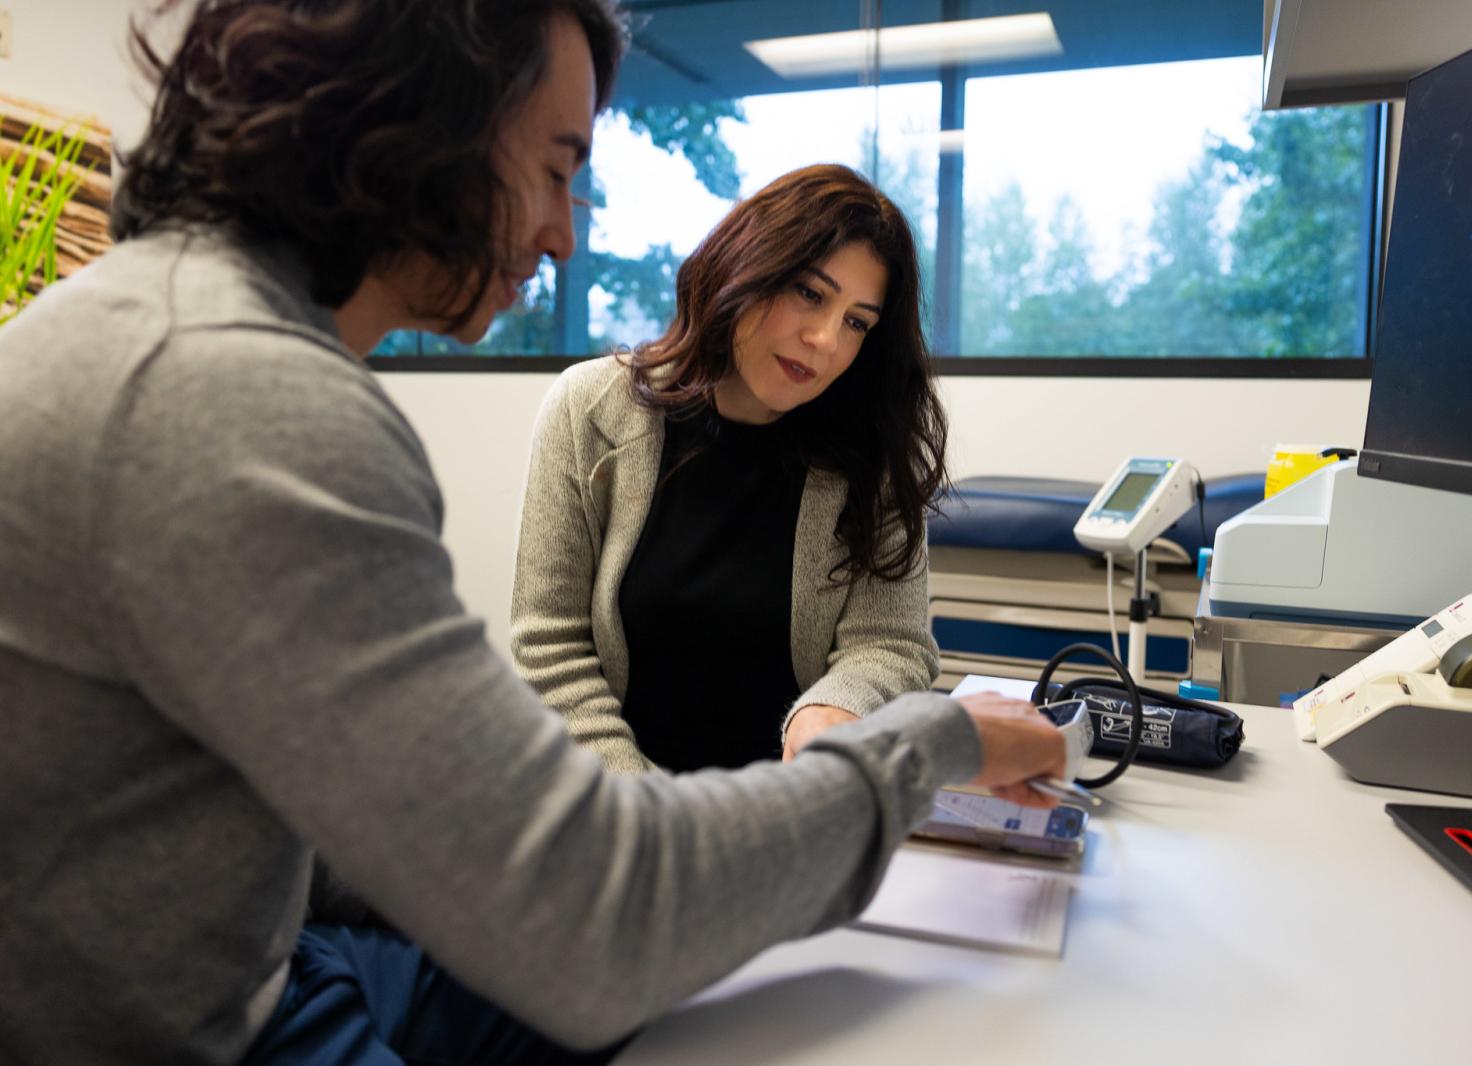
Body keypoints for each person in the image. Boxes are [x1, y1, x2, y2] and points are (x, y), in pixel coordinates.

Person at [0, 2, 1069, 1065]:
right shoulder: (249, 401)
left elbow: (320, 814)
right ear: (413, 128)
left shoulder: (145, 325)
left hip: (270, 953)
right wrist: (937, 740)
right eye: (556, 168)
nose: (563, 233)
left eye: (858, 323)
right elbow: (596, 921)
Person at [511, 164, 948, 774]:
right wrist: (648, 811)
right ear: (743, 267)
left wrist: (835, 707)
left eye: (857, 323)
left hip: (794, 806)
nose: (825, 338)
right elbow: (550, 649)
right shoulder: (590, 408)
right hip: (617, 811)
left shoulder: (871, 446)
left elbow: (892, 642)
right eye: (809, 293)